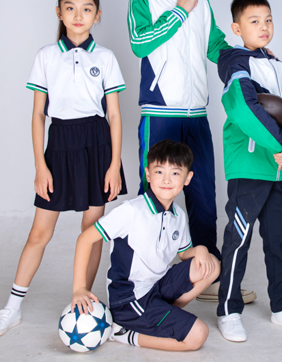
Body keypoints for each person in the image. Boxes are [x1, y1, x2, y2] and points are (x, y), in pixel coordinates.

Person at [0, 0, 127, 338]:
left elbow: (114, 115)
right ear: (59, 12)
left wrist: (113, 165)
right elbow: (37, 115)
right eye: (70, 7)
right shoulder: (46, 56)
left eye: (87, 8)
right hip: (60, 145)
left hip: (97, 146)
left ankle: (84, 301)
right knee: (39, 232)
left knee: (93, 233)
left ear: (97, 15)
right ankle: (11, 308)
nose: (78, 15)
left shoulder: (105, 57)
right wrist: (40, 166)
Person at [126, 0, 255, 304]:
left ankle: (206, 276)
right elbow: (139, 42)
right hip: (160, 114)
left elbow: (214, 46)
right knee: (153, 195)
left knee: (202, 196)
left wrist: (251, 58)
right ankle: (142, 280)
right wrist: (179, 11)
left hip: (196, 115)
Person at [215, 0, 282, 343]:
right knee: (238, 239)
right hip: (248, 166)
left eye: (268, 19)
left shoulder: (278, 65)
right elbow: (244, 108)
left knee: (277, 239)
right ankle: (228, 310)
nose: (264, 26)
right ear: (236, 28)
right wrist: (278, 145)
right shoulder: (235, 61)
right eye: (254, 21)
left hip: (277, 169)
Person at [72, 139, 220, 351]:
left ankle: (163, 313)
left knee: (212, 264)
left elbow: (185, 253)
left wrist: (202, 250)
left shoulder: (178, 215)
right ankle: (125, 333)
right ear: (148, 175)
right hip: (130, 298)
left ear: (188, 178)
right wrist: (79, 288)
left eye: (175, 173)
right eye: (159, 172)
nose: (166, 179)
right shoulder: (131, 211)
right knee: (198, 335)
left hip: (157, 286)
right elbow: (85, 239)